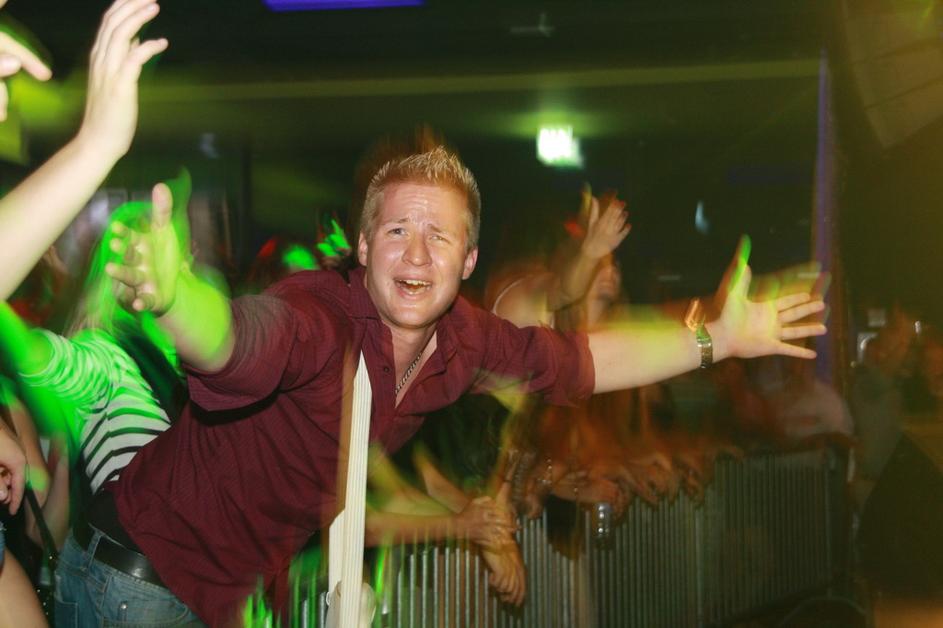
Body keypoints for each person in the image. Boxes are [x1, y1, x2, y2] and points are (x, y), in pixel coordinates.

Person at [105, 141, 826, 624]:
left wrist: (718, 339)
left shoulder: (465, 341)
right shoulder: (319, 317)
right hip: (138, 581)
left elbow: (584, 361)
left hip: (229, 595)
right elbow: (235, 341)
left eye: (439, 236)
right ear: (363, 247)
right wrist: (172, 299)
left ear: (469, 259)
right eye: (397, 231)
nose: (417, 254)